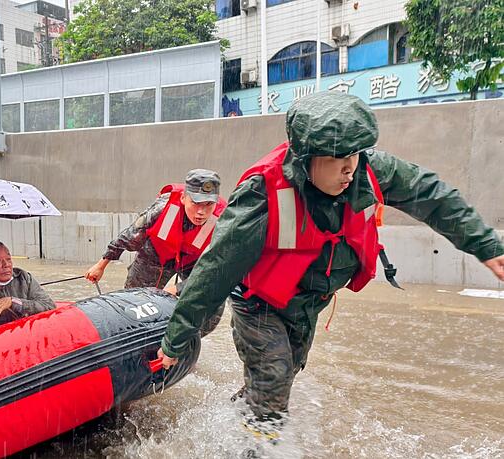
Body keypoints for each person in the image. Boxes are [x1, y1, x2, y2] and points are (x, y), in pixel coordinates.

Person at [157, 92, 504, 433]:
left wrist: (486, 246)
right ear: (305, 157)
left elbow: (433, 196)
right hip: (259, 306)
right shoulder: (263, 192)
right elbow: (217, 267)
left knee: (276, 384)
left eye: (355, 154)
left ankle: (230, 430)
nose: (349, 167)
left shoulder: (370, 171)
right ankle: (257, 450)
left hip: (307, 306)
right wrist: (176, 340)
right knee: (274, 380)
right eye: (337, 157)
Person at [85, 169, 228, 334]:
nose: (201, 212)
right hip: (156, 254)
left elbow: (217, 271)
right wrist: (101, 264)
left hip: (194, 260)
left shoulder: (224, 221)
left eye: (208, 204)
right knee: (133, 302)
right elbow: (130, 235)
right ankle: (134, 339)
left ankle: (181, 343)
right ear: (183, 198)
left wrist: (177, 290)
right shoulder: (163, 207)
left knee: (213, 303)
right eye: (196, 203)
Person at [0, 240, 55, 332]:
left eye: (8, 259)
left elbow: (49, 306)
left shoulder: (23, 278)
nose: (6, 265)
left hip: (23, 337)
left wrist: (14, 302)